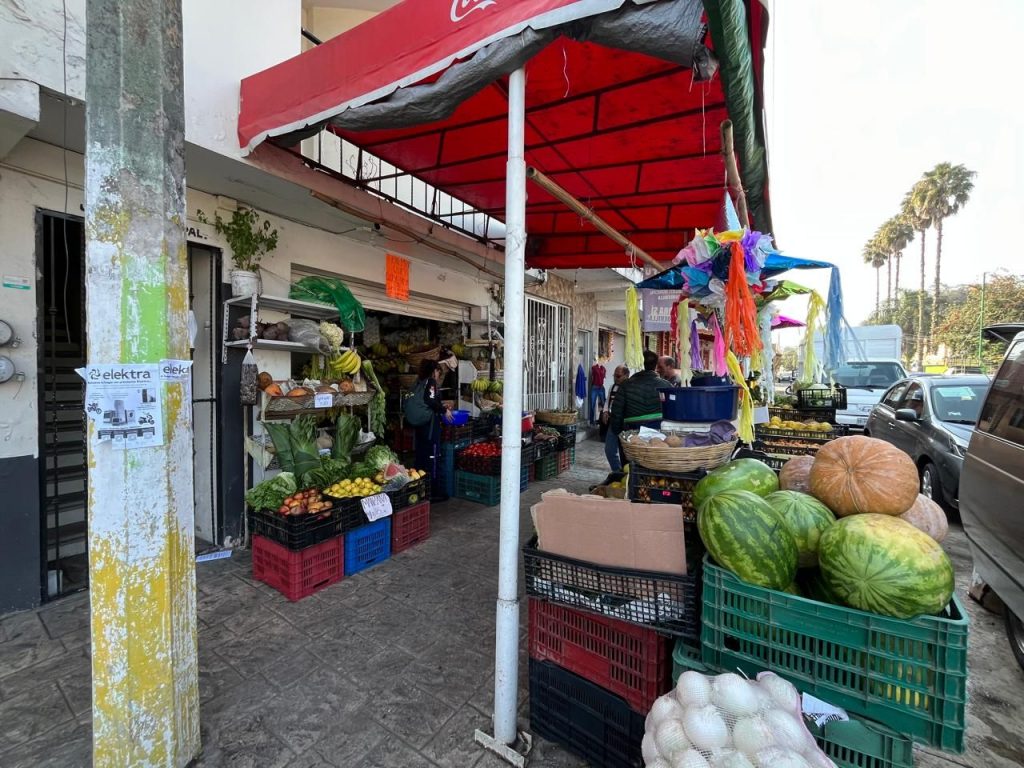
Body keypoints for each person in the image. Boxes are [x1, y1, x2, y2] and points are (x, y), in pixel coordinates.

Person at [607, 350, 671, 471]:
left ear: (641, 364)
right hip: (658, 433)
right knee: (654, 466)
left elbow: (616, 412)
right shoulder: (666, 385)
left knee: (631, 468)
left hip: (631, 433)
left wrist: (619, 432)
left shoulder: (626, 385)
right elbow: (671, 411)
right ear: (656, 366)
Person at [405, 359, 452, 496]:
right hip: (429, 427)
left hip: (419, 425)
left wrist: (440, 406)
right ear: (434, 371)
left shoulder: (418, 382)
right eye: (438, 372)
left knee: (420, 456)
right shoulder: (430, 382)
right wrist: (444, 410)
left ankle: (418, 488)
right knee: (433, 456)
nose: (438, 376)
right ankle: (434, 492)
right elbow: (429, 400)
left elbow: (427, 401)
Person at [600, 365, 629, 469]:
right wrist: (605, 411)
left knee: (625, 453)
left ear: (626, 375)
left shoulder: (631, 388)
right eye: (614, 376)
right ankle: (617, 472)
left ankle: (626, 473)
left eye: (618, 376)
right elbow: (608, 401)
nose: (615, 378)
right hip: (613, 422)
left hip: (626, 424)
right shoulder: (613, 387)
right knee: (609, 450)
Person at [589, 358, 607, 424]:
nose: (602, 361)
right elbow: (593, 374)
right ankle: (591, 421)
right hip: (594, 387)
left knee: (604, 404)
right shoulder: (594, 368)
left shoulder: (604, 369)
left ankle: (604, 420)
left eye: (603, 360)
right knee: (592, 405)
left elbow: (603, 377)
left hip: (601, 387)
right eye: (600, 360)